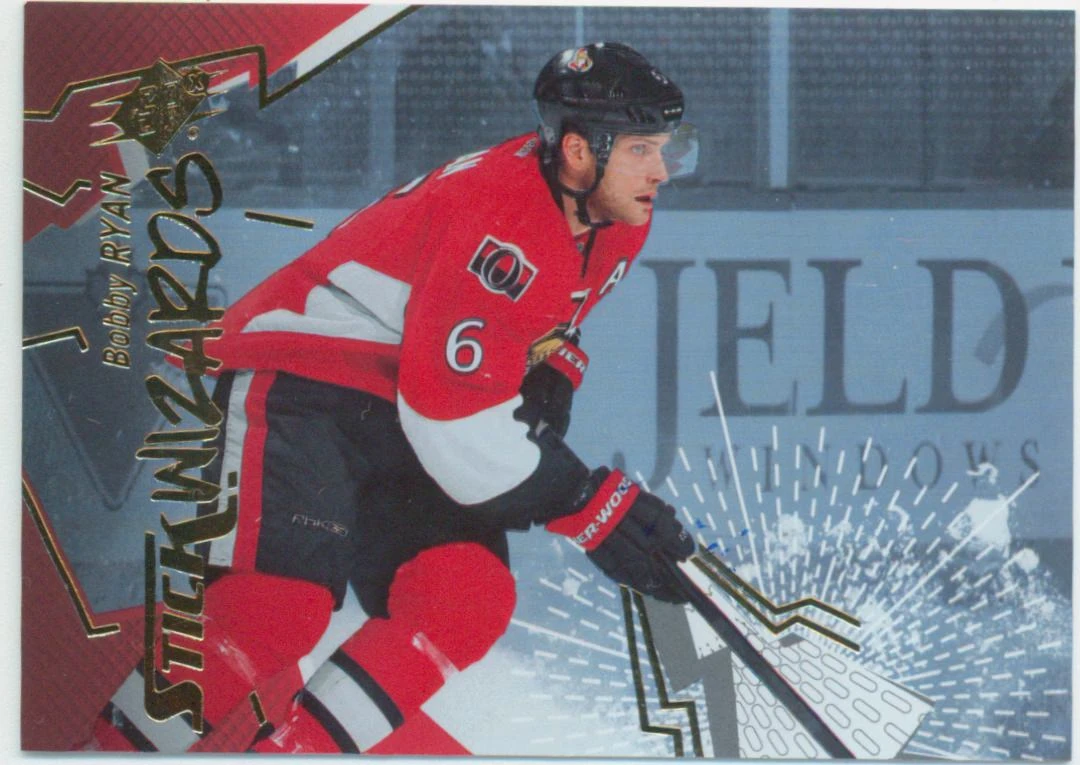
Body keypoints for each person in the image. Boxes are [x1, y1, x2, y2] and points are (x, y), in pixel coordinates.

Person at [88, 41, 696, 754]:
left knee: (461, 596)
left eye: (664, 148)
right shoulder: (500, 214)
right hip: (304, 379)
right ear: (578, 150)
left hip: (401, 400)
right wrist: (586, 504)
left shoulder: (615, 216)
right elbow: (450, 417)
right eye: (641, 150)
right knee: (271, 610)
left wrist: (552, 373)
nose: (660, 171)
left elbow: (544, 323)